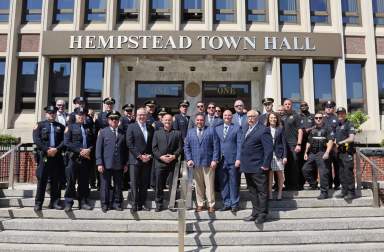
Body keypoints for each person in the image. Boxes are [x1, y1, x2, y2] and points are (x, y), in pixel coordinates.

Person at [241, 110, 273, 224]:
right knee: (252, 191)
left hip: (259, 166)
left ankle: (263, 214)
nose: (250, 118)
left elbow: (269, 150)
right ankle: (255, 212)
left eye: (252, 116)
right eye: (248, 116)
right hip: (247, 166)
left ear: (257, 117)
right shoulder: (245, 129)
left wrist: (265, 165)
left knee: (262, 191)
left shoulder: (263, 130)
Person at [184, 113, 219, 213]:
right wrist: (189, 159)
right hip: (195, 163)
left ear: (204, 121)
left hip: (208, 162)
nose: (200, 122)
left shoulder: (211, 130)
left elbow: (216, 146)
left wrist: (214, 159)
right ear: (195, 121)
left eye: (201, 120)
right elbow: (186, 147)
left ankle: (211, 204)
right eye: (198, 120)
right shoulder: (190, 132)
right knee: (198, 185)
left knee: (209, 185)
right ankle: (200, 204)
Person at [32, 105, 65, 211]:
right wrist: (47, 150)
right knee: (42, 180)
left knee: (56, 180)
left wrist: (56, 149)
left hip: (56, 156)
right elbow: (37, 140)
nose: (52, 114)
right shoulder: (40, 125)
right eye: (50, 113)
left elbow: (64, 141)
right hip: (44, 156)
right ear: (46, 114)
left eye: (54, 113)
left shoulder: (60, 126)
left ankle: (55, 202)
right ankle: (38, 203)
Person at [96, 111, 128, 213]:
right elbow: (98, 149)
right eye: (112, 119)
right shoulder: (103, 132)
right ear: (108, 120)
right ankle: (105, 204)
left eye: (116, 119)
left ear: (119, 121)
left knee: (118, 185)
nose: (114, 121)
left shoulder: (123, 133)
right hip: (106, 164)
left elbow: (125, 150)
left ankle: (117, 203)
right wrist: (99, 163)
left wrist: (126, 163)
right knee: (105, 185)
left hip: (119, 164)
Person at [64, 107, 94, 212]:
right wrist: (80, 150)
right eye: (79, 115)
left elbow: (93, 142)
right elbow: (67, 142)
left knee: (84, 182)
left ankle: (83, 202)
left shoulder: (88, 128)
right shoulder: (70, 127)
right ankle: (68, 202)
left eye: (83, 115)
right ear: (75, 116)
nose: (81, 116)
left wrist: (89, 149)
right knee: (71, 181)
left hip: (86, 159)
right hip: (74, 158)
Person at [152, 114, 183, 212]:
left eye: (169, 120)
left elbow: (180, 147)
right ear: (162, 121)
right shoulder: (157, 133)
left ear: (172, 121)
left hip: (172, 163)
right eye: (166, 120)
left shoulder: (177, 133)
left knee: (172, 185)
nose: (167, 122)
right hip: (160, 163)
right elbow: (154, 148)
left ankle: (171, 204)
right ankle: (159, 204)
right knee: (159, 185)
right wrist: (161, 157)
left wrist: (174, 156)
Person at [126, 108, 154, 212]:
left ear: (147, 116)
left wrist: (149, 156)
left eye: (143, 115)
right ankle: (134, 204)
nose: (142, 117)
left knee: (144, 184)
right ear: (136, 116)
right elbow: (129, 143)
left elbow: (152, 144)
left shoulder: (150, 128)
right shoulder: (131, 127)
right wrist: (139, 156)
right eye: (140, 115)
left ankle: (142, 203)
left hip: (147, 160)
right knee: (134, 183)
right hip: (135, 160)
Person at [214, 110, 242, 212]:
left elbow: (239, 144)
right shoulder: (217, 129)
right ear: (222, 116)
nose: (227, 117)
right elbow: (215, 145)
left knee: (234, 182)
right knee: (223, 182)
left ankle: (235, 203)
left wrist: (238, 158)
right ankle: (226, 203)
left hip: (233, 160)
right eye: (225, 115)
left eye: (229, 115)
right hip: (221, 161)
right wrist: (215, 159)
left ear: (232, 117)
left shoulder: (237, 128)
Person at [302, 112, 334, 199]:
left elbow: (330, 141)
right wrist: (305, 152)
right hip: (313, 153)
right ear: (314, 119)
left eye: (320, 118)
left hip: (322, 152)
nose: (318, 119)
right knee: (305, 169)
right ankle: (314, 184)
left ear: (323, 118)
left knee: (323, 173)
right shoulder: (313, 129)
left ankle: (324, 192)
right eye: (316, 118)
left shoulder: (328, 128)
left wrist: (327, 153)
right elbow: (309, 142)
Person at [281, 99, 304, 190]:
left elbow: (300, 130)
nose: (287, 105)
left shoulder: (296, 116)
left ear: (292, 105)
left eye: (289, 104)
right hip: (284, 145)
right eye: (285, 104)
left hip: (293, 144)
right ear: (283, 106)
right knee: (286, 166)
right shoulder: (282, 117)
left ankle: (295, 185)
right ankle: (287, 184)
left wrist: (299, 144)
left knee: (294, 165)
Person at [334, 107, 356, 200]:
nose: (340, 115)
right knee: (341, 173)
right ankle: (344, 191)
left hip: (347, 152)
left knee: (348, 173)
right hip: (340, 153)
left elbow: (351, 138)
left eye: (342, 113)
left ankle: (351, 192)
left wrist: (341, 142)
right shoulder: (338, 126)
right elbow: (335, 139)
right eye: (338, 113)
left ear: (345, 114)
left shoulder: (349, 124)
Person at [266, 112, 287, 201]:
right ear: (268, 119)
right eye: (271, 117)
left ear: (277, 119)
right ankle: (270, 194)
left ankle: (279, 194)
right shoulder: (265, 129)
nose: (273, 119)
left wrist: (285, 156)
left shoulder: (280, 129)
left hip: (278, 154)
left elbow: (284, 143)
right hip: (269, 155)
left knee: (279, 175)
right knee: (270, 175)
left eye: (274, 117)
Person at [324, 100, 340, 190]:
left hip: (335, 146)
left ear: (333, 109)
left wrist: (337, 143)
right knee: (327, 166)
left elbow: (339, 132)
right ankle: (329, 184)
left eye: (330, 107)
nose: (328, 109)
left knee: (337, 166)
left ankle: (337, 184)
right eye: (327, 107)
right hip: (326, 146)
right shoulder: (322, 119)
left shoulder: (337, 119)